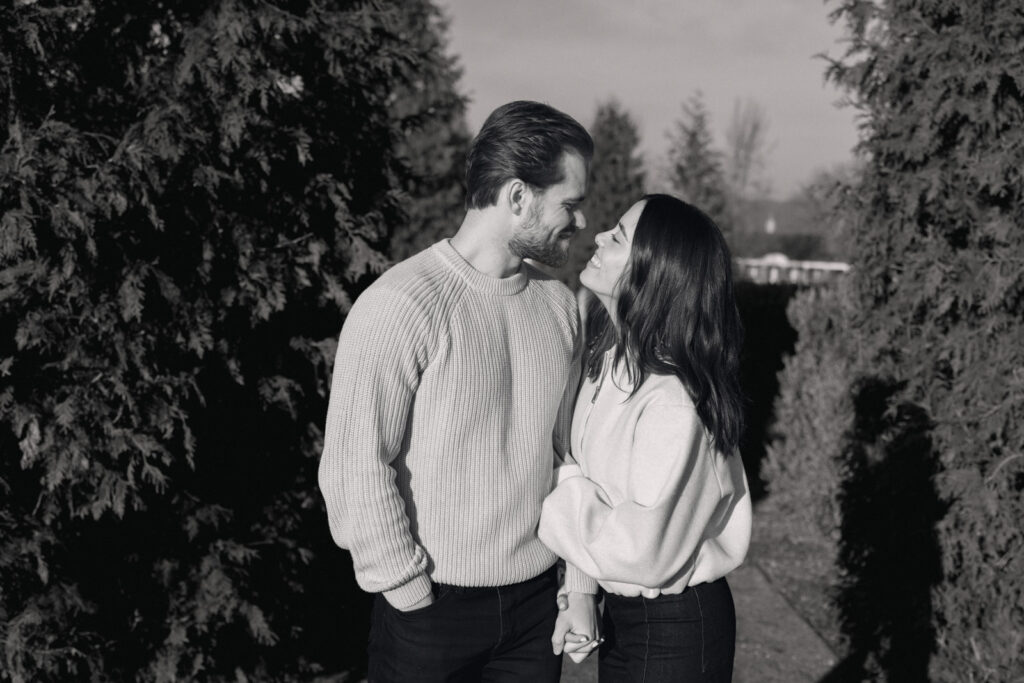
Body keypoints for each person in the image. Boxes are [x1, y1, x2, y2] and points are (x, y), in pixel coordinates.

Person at [318, 100, 598, 682]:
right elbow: (353, 464)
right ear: (517, 197)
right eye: (569, 205)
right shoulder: (403, 303)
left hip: (533, 612)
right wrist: (407, 589)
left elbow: (571, 456)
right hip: (429, 611)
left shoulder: (559, 307)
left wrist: (575, 583)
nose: (582, 222)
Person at [540, 194, 753, 681]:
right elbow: (601, 492)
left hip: (675, 622)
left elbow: (642, 553)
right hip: (627, 615)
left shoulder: (673, 401)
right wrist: (581, 591)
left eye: (617, 237)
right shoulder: (609, 358)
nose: (597, 236)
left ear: (654, 272)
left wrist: (553, 480)